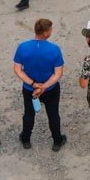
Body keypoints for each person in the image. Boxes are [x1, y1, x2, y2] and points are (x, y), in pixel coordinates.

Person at [12, 18, 67, 151]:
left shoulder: (22, 47)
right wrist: (44, 86)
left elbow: (17, 69)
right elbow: (58, 73)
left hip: (29, 89)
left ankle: (26, 139)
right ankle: (57, 141)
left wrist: (34, 84)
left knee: (29, 114)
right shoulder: (54, 49)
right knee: (53, 114)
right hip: (50, 89)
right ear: (46, 33)